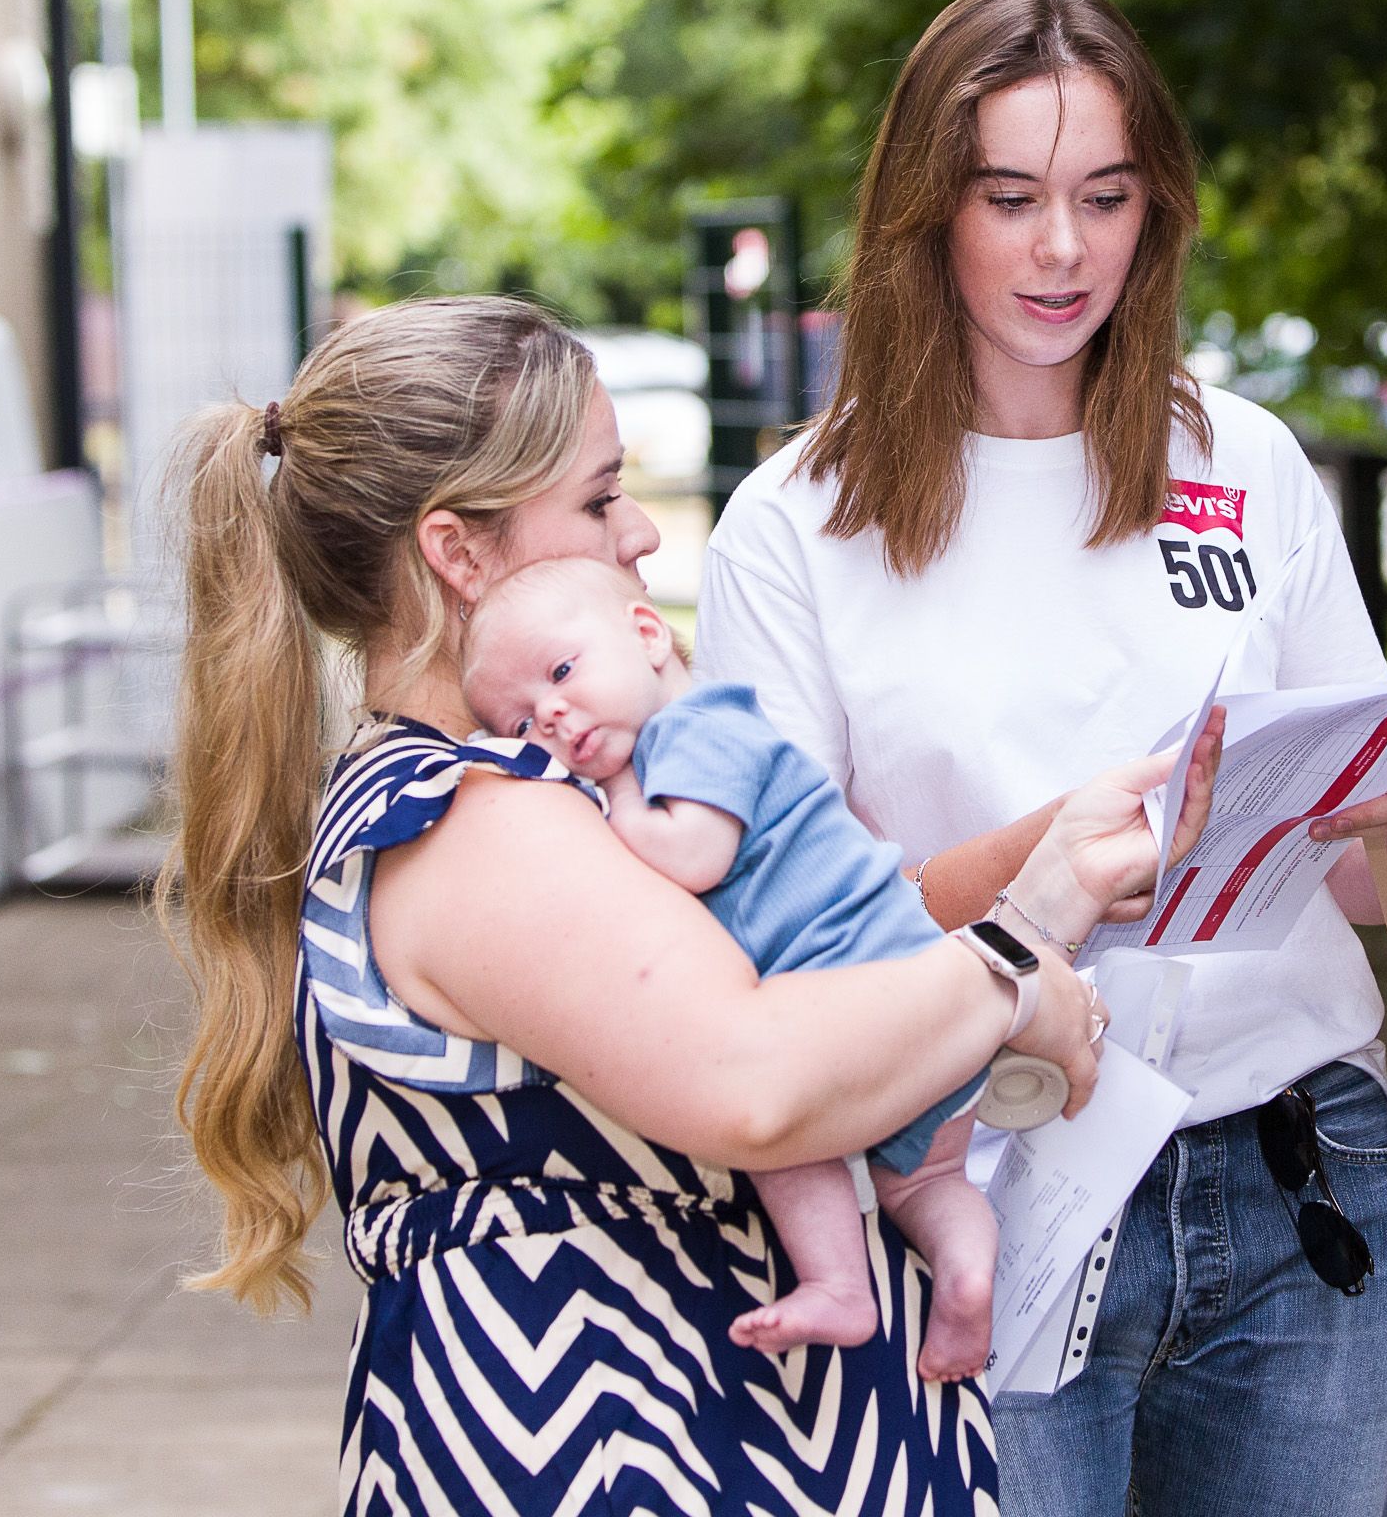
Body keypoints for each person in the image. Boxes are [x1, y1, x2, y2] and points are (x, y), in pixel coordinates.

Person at [159, 294, 1204, 1515]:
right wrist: (1022, 947)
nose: (639, 532)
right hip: (623, 1452)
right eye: (599, 497)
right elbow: (751, 1077)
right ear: (459, 552)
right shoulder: (471, 821)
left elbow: (796, 980)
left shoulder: (530, 790)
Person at [699, 0, 1387, 1517]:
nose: (1063, 250)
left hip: (1298, 1170)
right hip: (988, 1187)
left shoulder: (1242, 459)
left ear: (1158, 209)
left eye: (1105, 196)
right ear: (926, 211)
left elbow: (1346, 844)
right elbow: (781, 954)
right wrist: (1038, 865)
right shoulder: (795, 524)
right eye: (1010, 198)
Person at [460, 555, 1217, 1381]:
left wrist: (595, 806)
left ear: (646, 636)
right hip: (914, 1018)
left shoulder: (700, 727)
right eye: (524, 723)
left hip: (872, 982)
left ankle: (837, 1277)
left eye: (563, 673)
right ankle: (961, 1277)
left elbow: (696, 855)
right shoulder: (666, 748)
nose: (555, 717)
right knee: (925, 1183)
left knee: (784, 1142)